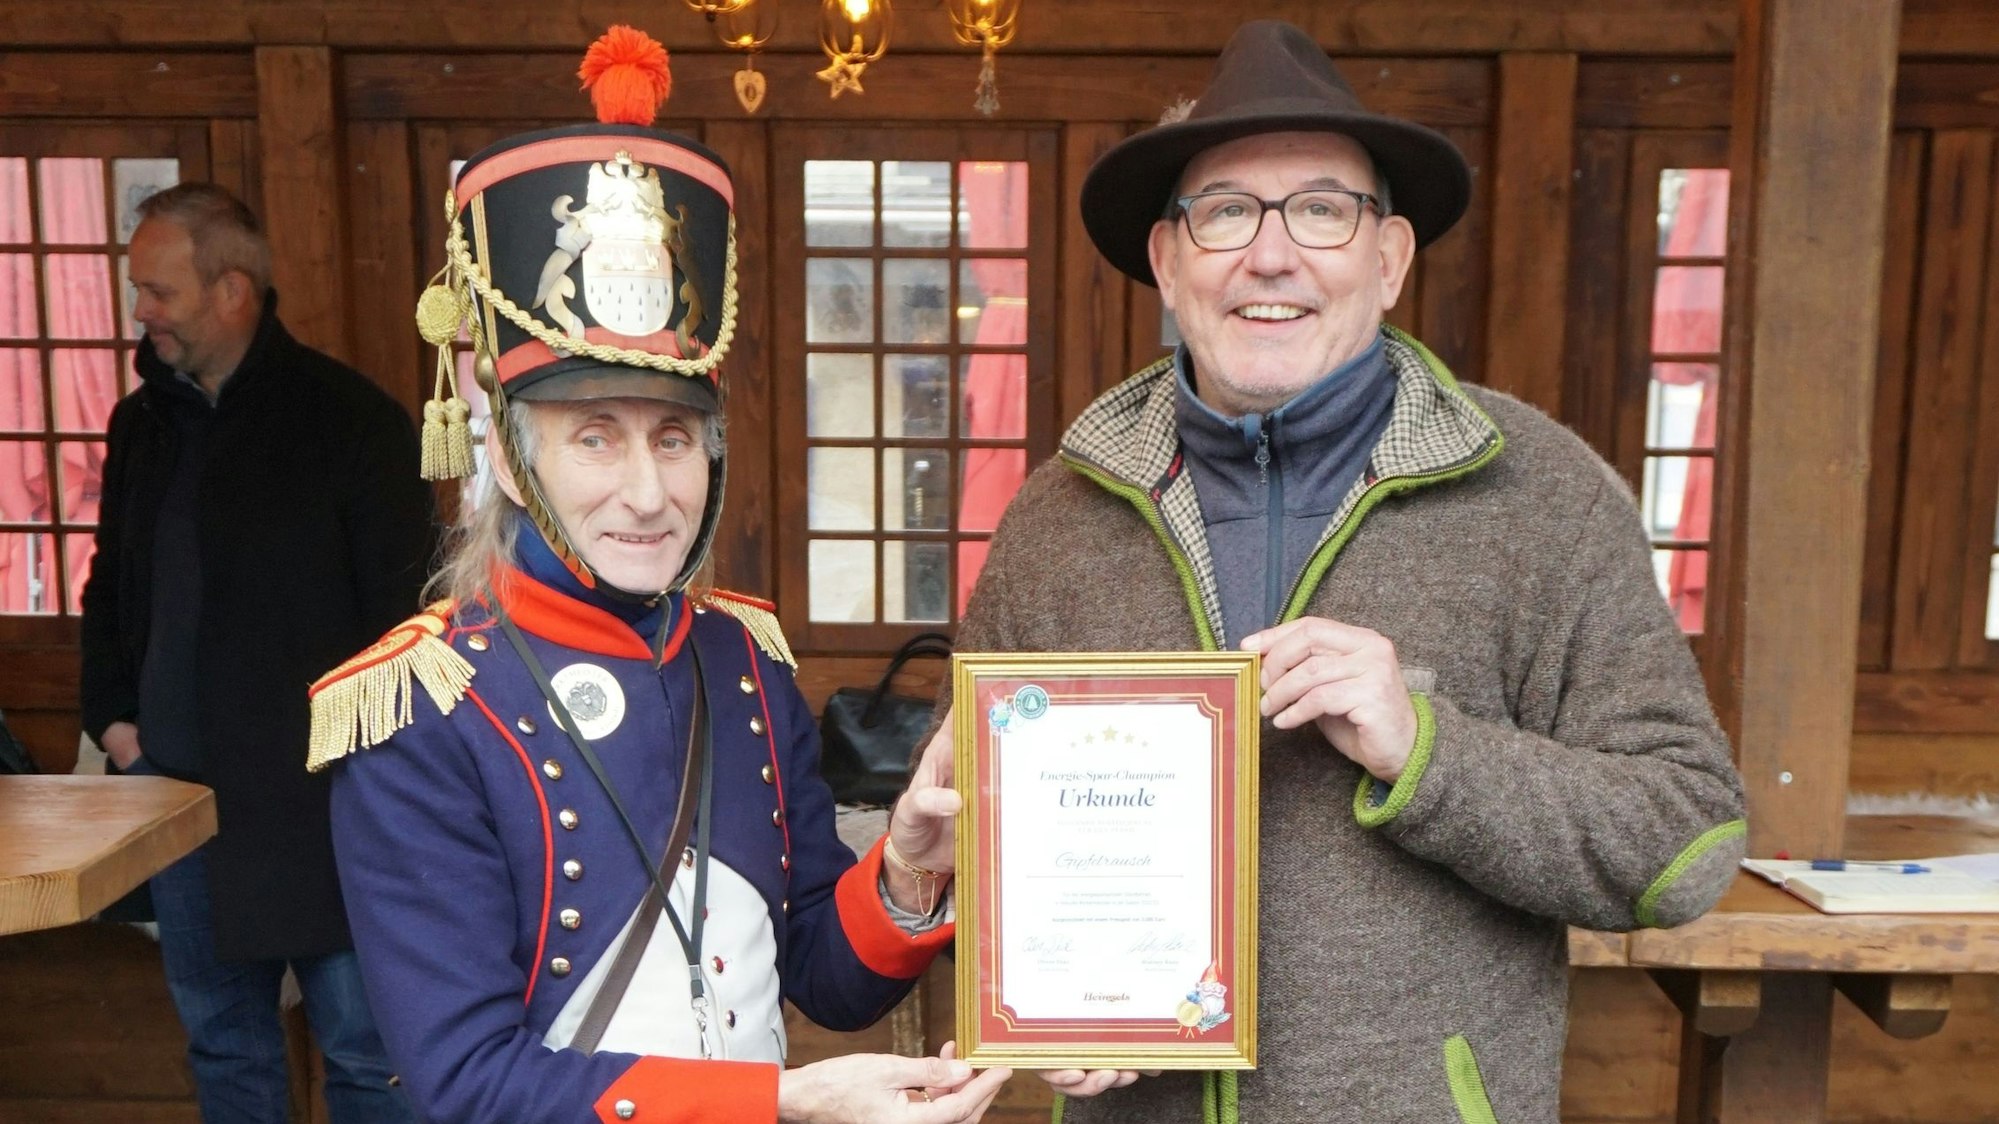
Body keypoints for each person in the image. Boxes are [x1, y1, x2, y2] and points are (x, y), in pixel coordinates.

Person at [936, 20, 1749, 1124]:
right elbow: (984, 835)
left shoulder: (1544, 498)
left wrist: (1428, 751)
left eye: (1321, 209)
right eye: (1225, 211)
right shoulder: (1056, 519)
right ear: (1168, 262)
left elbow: (1685, 844)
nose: (1271, 256)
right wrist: (1052, 1000)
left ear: (1389, 258)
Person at [312, 27, 1007, 1124]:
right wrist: (783, 1103)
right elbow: (467, 1081)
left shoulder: (741, 659)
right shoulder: (420, 707)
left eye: (674, 438)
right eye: (595, 437)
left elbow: (825, 977)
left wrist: (910, 867)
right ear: (507, 453)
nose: (648, 492)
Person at [78, 181, 431, 1122]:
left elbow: (406, 620)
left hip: (331, 808)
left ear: (232, 291)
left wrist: (382, 776)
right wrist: (115, 723)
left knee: (367, 1058)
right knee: (225, 1052)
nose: (141, 312)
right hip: (178, 800)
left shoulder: (351, 421)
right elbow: (111, 586)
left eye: (159, 291)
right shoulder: (141, 424)